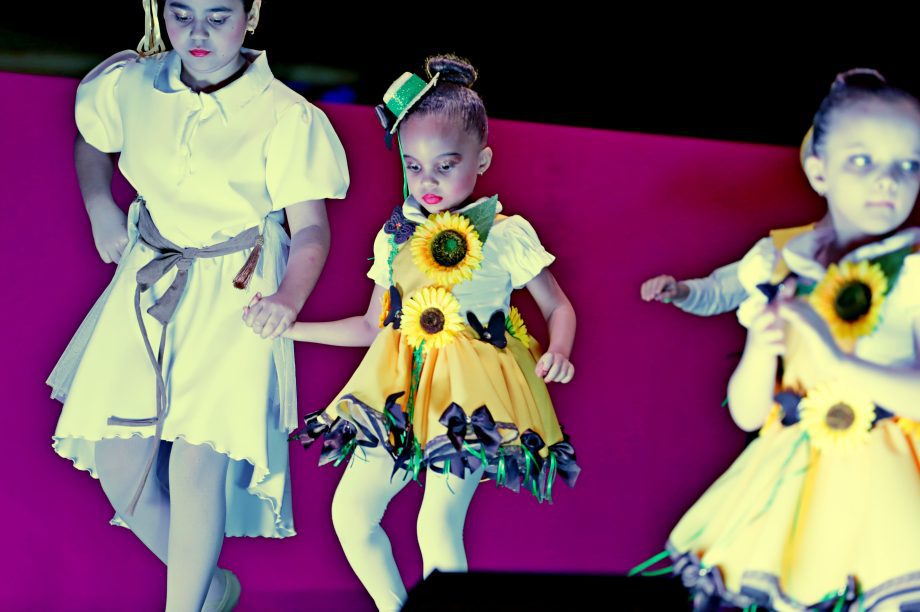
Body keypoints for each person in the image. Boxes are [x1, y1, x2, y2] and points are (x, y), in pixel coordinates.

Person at [47, 1, 349, 609]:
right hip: (150, 276)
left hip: (238, 287)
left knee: (197, 462)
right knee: (118, 465)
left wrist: (289, 296)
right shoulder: (134, 83)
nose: (198, 33)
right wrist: (100, 206)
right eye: (182, 15)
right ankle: (211, 589)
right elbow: (91, 143)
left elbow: (311, 228)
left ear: (251, 14)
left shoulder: (285, 115)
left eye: (218, 16)